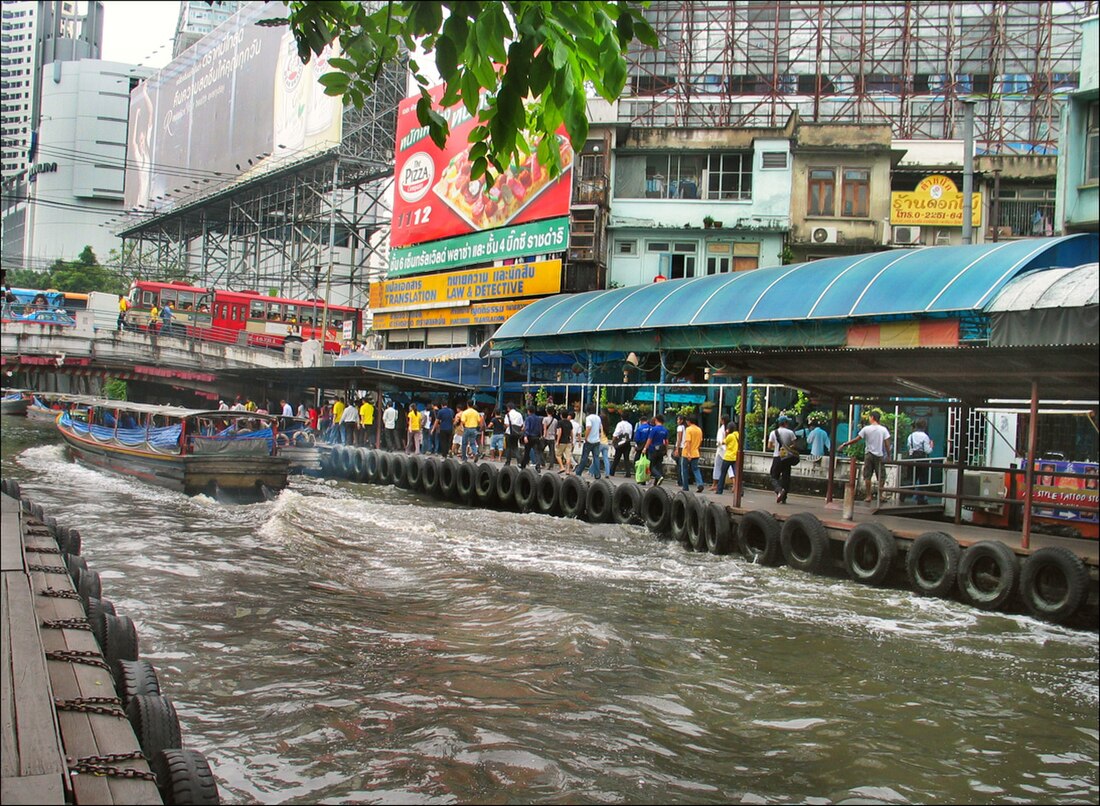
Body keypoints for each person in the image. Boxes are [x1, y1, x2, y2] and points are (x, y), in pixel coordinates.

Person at [839, 410, 892, 504]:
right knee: (882, 476)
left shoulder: (866, 429)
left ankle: (868, 496)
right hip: (879, 455)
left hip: (868, 454)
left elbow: (857, 439)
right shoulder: (883, 429)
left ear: (872, 417)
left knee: (867, 476)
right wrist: (888, 455)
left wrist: (845, 444)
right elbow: (887, 444)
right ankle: (880, 495)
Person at [767, 414, 798, 504]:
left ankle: (779, 490)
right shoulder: (790, 432)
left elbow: (769, 446)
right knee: (786, 477)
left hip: (777, 457)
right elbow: (794, 445)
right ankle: (784, 497)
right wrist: (787, 447)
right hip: (787, 458)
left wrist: (777, 447)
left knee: (773, 476)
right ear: (785, 423)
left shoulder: (774, 433)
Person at [904, 418, 934, 504]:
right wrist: (931, 446)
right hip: (922, 460)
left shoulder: (911, 436)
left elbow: (909, 448)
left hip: (912, 458)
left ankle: (903, 493)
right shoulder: (925, 436)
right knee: (922, 480)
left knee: (911, 478)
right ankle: (920, 499)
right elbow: (928, 451)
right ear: (924, 426)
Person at [574, 405, 603, 479]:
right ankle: (597, 474)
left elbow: (588, 428)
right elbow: (600, 428)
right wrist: (599, 436)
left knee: (584, 457)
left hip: (589, 440)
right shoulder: (598, 418)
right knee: (596, 457)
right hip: (597, 441)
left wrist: (586, 438)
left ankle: (578, 472)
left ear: (587, 411)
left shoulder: (588, 418)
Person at [642, 414, 670, 485]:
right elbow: (666, 441)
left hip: (653, 449)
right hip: (661, 449)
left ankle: (659, 476)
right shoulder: (665, 430)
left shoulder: (654, 429)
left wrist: (645, 448)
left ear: (656, 420)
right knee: (658, 465)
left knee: (651, 466)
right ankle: (657, 482)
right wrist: (666, 450)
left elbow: (649, 439)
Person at [715, 417, 740, 495]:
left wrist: (726, 434)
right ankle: (740, 490)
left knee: (723, 473)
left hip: (728, 457)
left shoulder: (730, 436)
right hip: (735, 457)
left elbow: (723, 442)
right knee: (737, 474)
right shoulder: (737, 435)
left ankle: (719, 490)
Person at [680, 416, 705, 492]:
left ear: (689, 421)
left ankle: (685, 486)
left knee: (684, 470)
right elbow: (700, 441)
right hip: (696, 452)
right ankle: (700, 483)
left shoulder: (688, 429)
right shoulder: (699, 430)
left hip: (687, 453)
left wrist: (688, 453)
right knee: (696, 469)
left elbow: (688, 441)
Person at [521, 405, 544, 470]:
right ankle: (538, 466)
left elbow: (527, 428)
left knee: (527, 452)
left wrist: (525, 436)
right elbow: (540, 428)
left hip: (530, 436)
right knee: (537, 452)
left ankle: (523, 465)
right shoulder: (538, 418)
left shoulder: (528, 418)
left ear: (528, 411)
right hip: (536, 437)